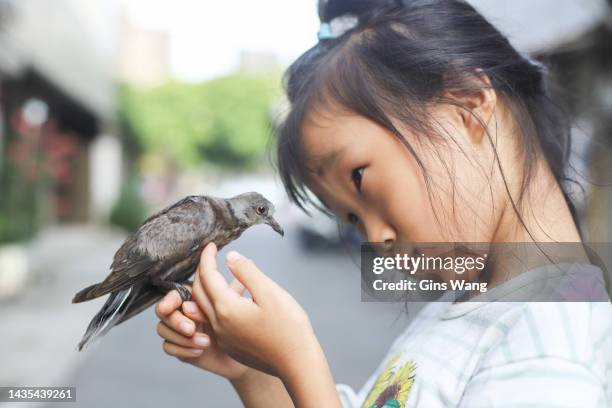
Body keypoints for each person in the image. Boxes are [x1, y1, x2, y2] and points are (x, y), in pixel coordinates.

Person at [154, 0, 612, 406]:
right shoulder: (471, 306)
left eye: (359, 177)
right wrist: (253, 370)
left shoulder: (549, 347)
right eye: (351, 219)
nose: (374, 237)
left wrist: (297, 360)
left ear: (467, 105)